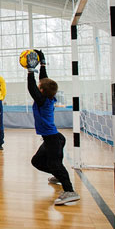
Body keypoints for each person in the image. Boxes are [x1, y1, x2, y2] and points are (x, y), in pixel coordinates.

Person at [26, 50, 80, 205]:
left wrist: (30, 71)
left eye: (39, 87)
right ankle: (59, 175)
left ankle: (70, 191)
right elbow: (43, 81)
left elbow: (32, 88)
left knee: (55, 164)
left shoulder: (42, 101)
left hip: (53, 140)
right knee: (37, 161)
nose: (38, 86)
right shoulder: (48, 97)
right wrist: (42, 63)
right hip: (53, 138)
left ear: (41, 91)